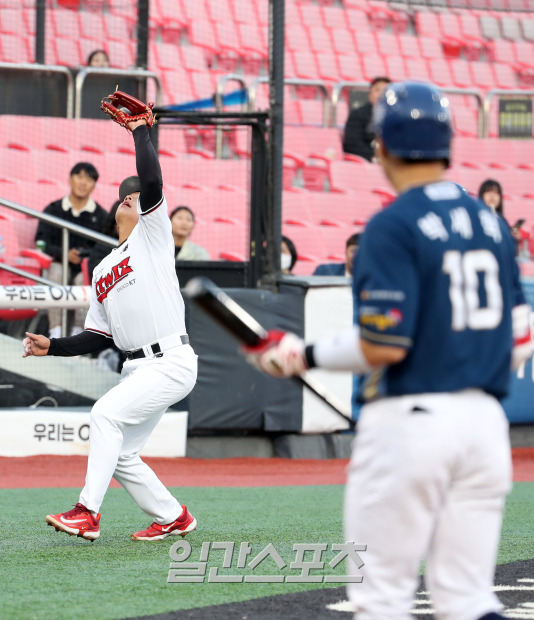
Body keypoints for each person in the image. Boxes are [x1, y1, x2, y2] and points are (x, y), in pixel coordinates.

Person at [247, 82, 533, 619]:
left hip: (412, 423)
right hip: (487, 427)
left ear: (382, 145)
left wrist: (302, 354)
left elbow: (384, 342)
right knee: (469, 600)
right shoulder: (494, 225)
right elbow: (522, 335)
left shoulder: (391, 225)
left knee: (382, 600)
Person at [23, 116, 198, 542]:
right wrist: (54, 346)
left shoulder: (153, 238)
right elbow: (98, 336)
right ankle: (173, 515)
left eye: (137, 196)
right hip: (136, 368)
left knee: (103, 415)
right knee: (120, 451)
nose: (133, 199)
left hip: (170, 359)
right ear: (120, 208)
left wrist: (140, 130)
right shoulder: (102, 268)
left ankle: (87, 512)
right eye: (128, 197)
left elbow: (153, 179)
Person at [35, 162, 108, 338]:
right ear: (70, 179)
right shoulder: (53, 209)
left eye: (89, 179)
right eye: (79, 177)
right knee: (56, 274)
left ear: (94, 185)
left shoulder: (101, 215)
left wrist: (84, 256)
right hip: (59, 263)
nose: (83, 183)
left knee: (84, 281)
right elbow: (41, 241)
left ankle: (78, 332)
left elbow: (103, 247)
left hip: (84, 267)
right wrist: (64, 254)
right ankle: (55, 332)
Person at [343, 76, 391, 162]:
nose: (381, 94)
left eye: (386, 91)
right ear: (370, 95)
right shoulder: (358, 114)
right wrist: (373, 157)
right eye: (377, 90)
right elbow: (352, 144)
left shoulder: (398, 117)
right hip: (366, 162)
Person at [478, 178, 521, 251]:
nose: (492, 196)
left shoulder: (502, 220)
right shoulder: (475, 218)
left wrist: (514, 239)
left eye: (496, 193)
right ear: (482, 195)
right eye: (488, 192)